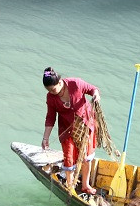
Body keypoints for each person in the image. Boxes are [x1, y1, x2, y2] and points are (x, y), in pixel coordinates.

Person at [41, 67, 102, 195]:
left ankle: (85, 185)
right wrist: (45, 138)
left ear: (59, 82)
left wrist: (96, 95)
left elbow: (92, 89)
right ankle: (70, 186)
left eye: (53, 89)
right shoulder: (51, 98)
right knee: (69, 158)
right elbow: (50, 117)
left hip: (85, 124)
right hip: (66, 129)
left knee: (86, 157)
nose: (51, 92)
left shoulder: (75, 84)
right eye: (48, 90)